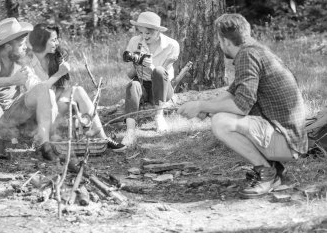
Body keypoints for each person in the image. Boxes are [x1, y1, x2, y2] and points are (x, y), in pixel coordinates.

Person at [178, 13, 307, 198]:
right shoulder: (253, 50)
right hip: (287, 137)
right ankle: (276, 172)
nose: (219, 45)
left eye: (219, 40)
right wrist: (205, 107)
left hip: (286, 141)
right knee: (218, 114)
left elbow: (241, 106)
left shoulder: (248, 55)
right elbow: (231, 93)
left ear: (225, 41)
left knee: (221, 122)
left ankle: (267, 173)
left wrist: (200, 105)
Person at [0, 17, 62, 161]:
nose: (25, 47)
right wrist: (11, 80)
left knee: (44, 90)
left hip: (17, 118)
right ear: (8, 46)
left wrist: (49, 98)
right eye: (21, 44)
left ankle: (44, 144)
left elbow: (35, 86)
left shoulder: (19, 58)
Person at [27, 23, 126, 152]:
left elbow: (59, 90)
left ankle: (103, 138)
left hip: (53, 107)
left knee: (77, 90)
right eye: (53, 39)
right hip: (35, 113)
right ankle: (45, 139)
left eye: (57, 39)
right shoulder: (28, 61)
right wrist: (59, 74)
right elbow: (37, 90)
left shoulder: (53, 58)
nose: (57, 43)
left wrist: (70, 102)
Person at [121, 11, 180, 147]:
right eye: (141, 32)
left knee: (158, 70)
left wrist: (151, 66)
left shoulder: (172, 45)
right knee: (132, 85)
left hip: (163, 87)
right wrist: (137, 63)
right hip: (143, 84)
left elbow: (165, 74)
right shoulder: (135, 42)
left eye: (148, 33)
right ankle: (130, 131)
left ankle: (159, 116)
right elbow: (129, 75)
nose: (144, 36)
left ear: (157, 31)